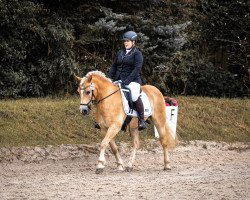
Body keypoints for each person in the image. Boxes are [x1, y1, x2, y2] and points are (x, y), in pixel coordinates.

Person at [108, 31, 146, 130]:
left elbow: (137, 69)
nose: (125, 43)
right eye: (125, 41)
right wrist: (109, 79)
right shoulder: (120, 53)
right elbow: (114, 66)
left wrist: (127, 81)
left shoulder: (137, 54)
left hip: (133, 80)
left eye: (128, 41)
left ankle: (142, 120)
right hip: (118, 80)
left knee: (133, 95)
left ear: (133, 42)